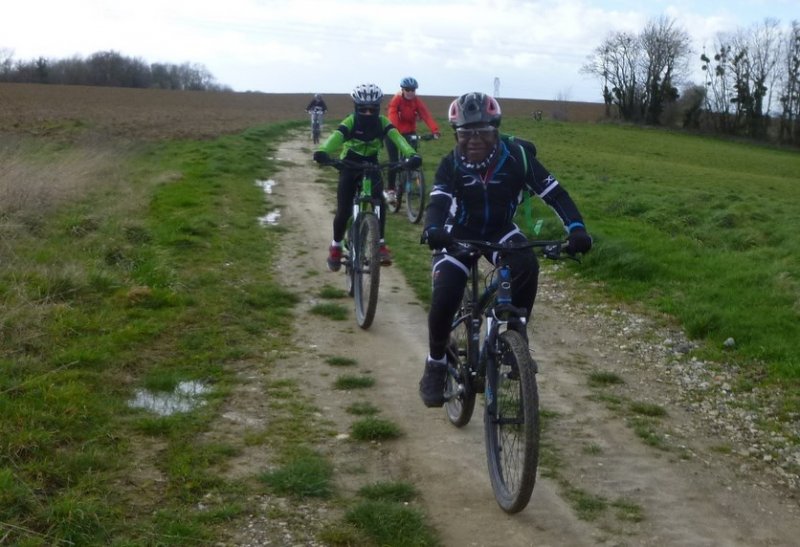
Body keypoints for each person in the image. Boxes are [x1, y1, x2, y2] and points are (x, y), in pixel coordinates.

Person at [418, 92, 593, 407]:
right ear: (457, 133)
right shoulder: (451, 164)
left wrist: (576, 229)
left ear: (495, 130)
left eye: (482, 131)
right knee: (445, 297)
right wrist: (432, 229)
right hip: (458, 232)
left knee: (526, 263)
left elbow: (555, 194)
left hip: (500, 229)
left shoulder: (517, 157)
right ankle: (436, 362)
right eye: (465, 132)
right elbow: (439, 201)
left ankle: (515, 332)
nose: (474, 139)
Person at [313, 83, 422, 271]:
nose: (369, 113)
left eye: (373, 109)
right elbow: (336, 138)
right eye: (364, 109)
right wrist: (323, 151)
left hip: (372, 165)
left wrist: (411, 154)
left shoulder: (382, 123)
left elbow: (398, 139)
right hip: (349, 164)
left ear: (378, 108)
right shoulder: (350, 121)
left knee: (379, 201)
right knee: (344, 210)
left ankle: (379, 244)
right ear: (356, 108)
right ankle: (336, 246)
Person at [383, 77, 441, 205]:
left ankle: (411, 180)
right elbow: (392, 116)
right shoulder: (396, 100)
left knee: (413, 158)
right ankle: (391, 191)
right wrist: (395, 133)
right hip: (393, 132)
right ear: (402, 90)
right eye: (407, 89)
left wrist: (435, 130)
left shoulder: (416, 101)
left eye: (413, 90)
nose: (410, 92)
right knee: (394, 161)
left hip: (409, 132)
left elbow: (426, 115)